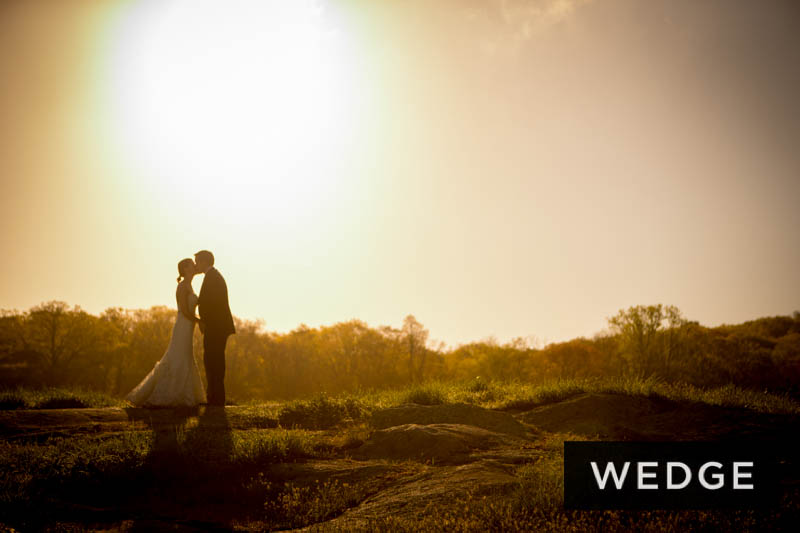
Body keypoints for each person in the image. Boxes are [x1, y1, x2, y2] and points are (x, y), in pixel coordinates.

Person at [126, 258, 206, 407]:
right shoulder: (182, 287)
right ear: (185, 269)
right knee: (177, 357)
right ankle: (162, 396)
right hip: (182, 326)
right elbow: (183, 310)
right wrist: (198, 320)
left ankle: (183, 395)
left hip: (188, 328)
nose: (195, 266)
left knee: (186, 356)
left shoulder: (190, 285)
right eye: (192, 264)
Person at [194, 250, 235, 406]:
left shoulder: (213, 278)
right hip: (217, 326)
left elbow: (212, 304)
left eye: (197, 262)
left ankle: (216, 399)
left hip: (216, 327)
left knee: (214, 361)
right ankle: (214, 397)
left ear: (204, 262)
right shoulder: (212, 277)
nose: (196, 265)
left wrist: (203, 321)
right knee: (212, 361)